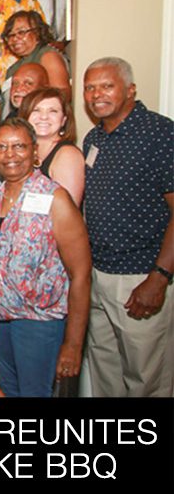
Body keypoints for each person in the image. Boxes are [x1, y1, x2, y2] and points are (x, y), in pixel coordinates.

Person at [0, 118, 91, 397]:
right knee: (7, 392)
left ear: (35, 151)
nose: (10, 154)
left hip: (39, 323)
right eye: (1, 147)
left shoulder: (55, 198)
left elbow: (81, 274)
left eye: (19, 146)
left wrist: (73, 345)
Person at [81, 57, 174, 397]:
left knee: (147, 380)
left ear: (130, 90)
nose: (96, 95)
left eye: (106, 86)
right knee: (105, 373)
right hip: (98, 275)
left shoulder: (160, 134)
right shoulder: (94, 138)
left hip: (140, 277)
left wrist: (159, 277)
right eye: (89, 88)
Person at [19, 87, 84, 206]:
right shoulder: (23, 151)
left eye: (53, 111)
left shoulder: (68, 156)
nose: (44, 117)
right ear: (25, 116)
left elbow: (67, 213)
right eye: (36, 110)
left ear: (64, 120)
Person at [2, 11, 70, 100]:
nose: (15, 38)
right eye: (10, 35)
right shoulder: (13, 68)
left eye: (21, 32)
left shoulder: (48, 56)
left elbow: (63, 94)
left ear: (37, 32)